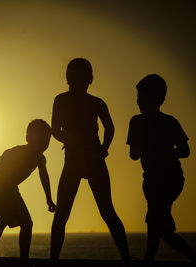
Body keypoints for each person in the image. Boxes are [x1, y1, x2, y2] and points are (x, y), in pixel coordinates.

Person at [50, 58, 130, 261]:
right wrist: (102, 148)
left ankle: (126, 257)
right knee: (68, 214)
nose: (78, 82)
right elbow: (56, 130)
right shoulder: (75, 101)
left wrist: (103, 149)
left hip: (89, 159)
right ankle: (126, 258)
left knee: (99, 212)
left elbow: (109, 127)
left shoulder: (88, 102)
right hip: (82, 160)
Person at [127, 74, 196, 263]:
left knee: (157, 222)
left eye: (140, 96)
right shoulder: (170, 121)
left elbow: (133, 155)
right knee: (156, 221)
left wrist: (155, 149)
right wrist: (166, 151)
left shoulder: (137, 121)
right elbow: (185, 151)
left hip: (160, 180)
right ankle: (150, 259)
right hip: (171, 178)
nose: (137, 100)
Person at [0, 119, 56, 262]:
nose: (44, 144)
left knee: (27, 223)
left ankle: (24, 259)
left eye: (47, 141)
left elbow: (44, 176)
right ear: (29, 138)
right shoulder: (18, 153)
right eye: (40, 139)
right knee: (4, 217)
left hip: (9, 187)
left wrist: (49, 199)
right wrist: (4, 195)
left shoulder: (40, 159)